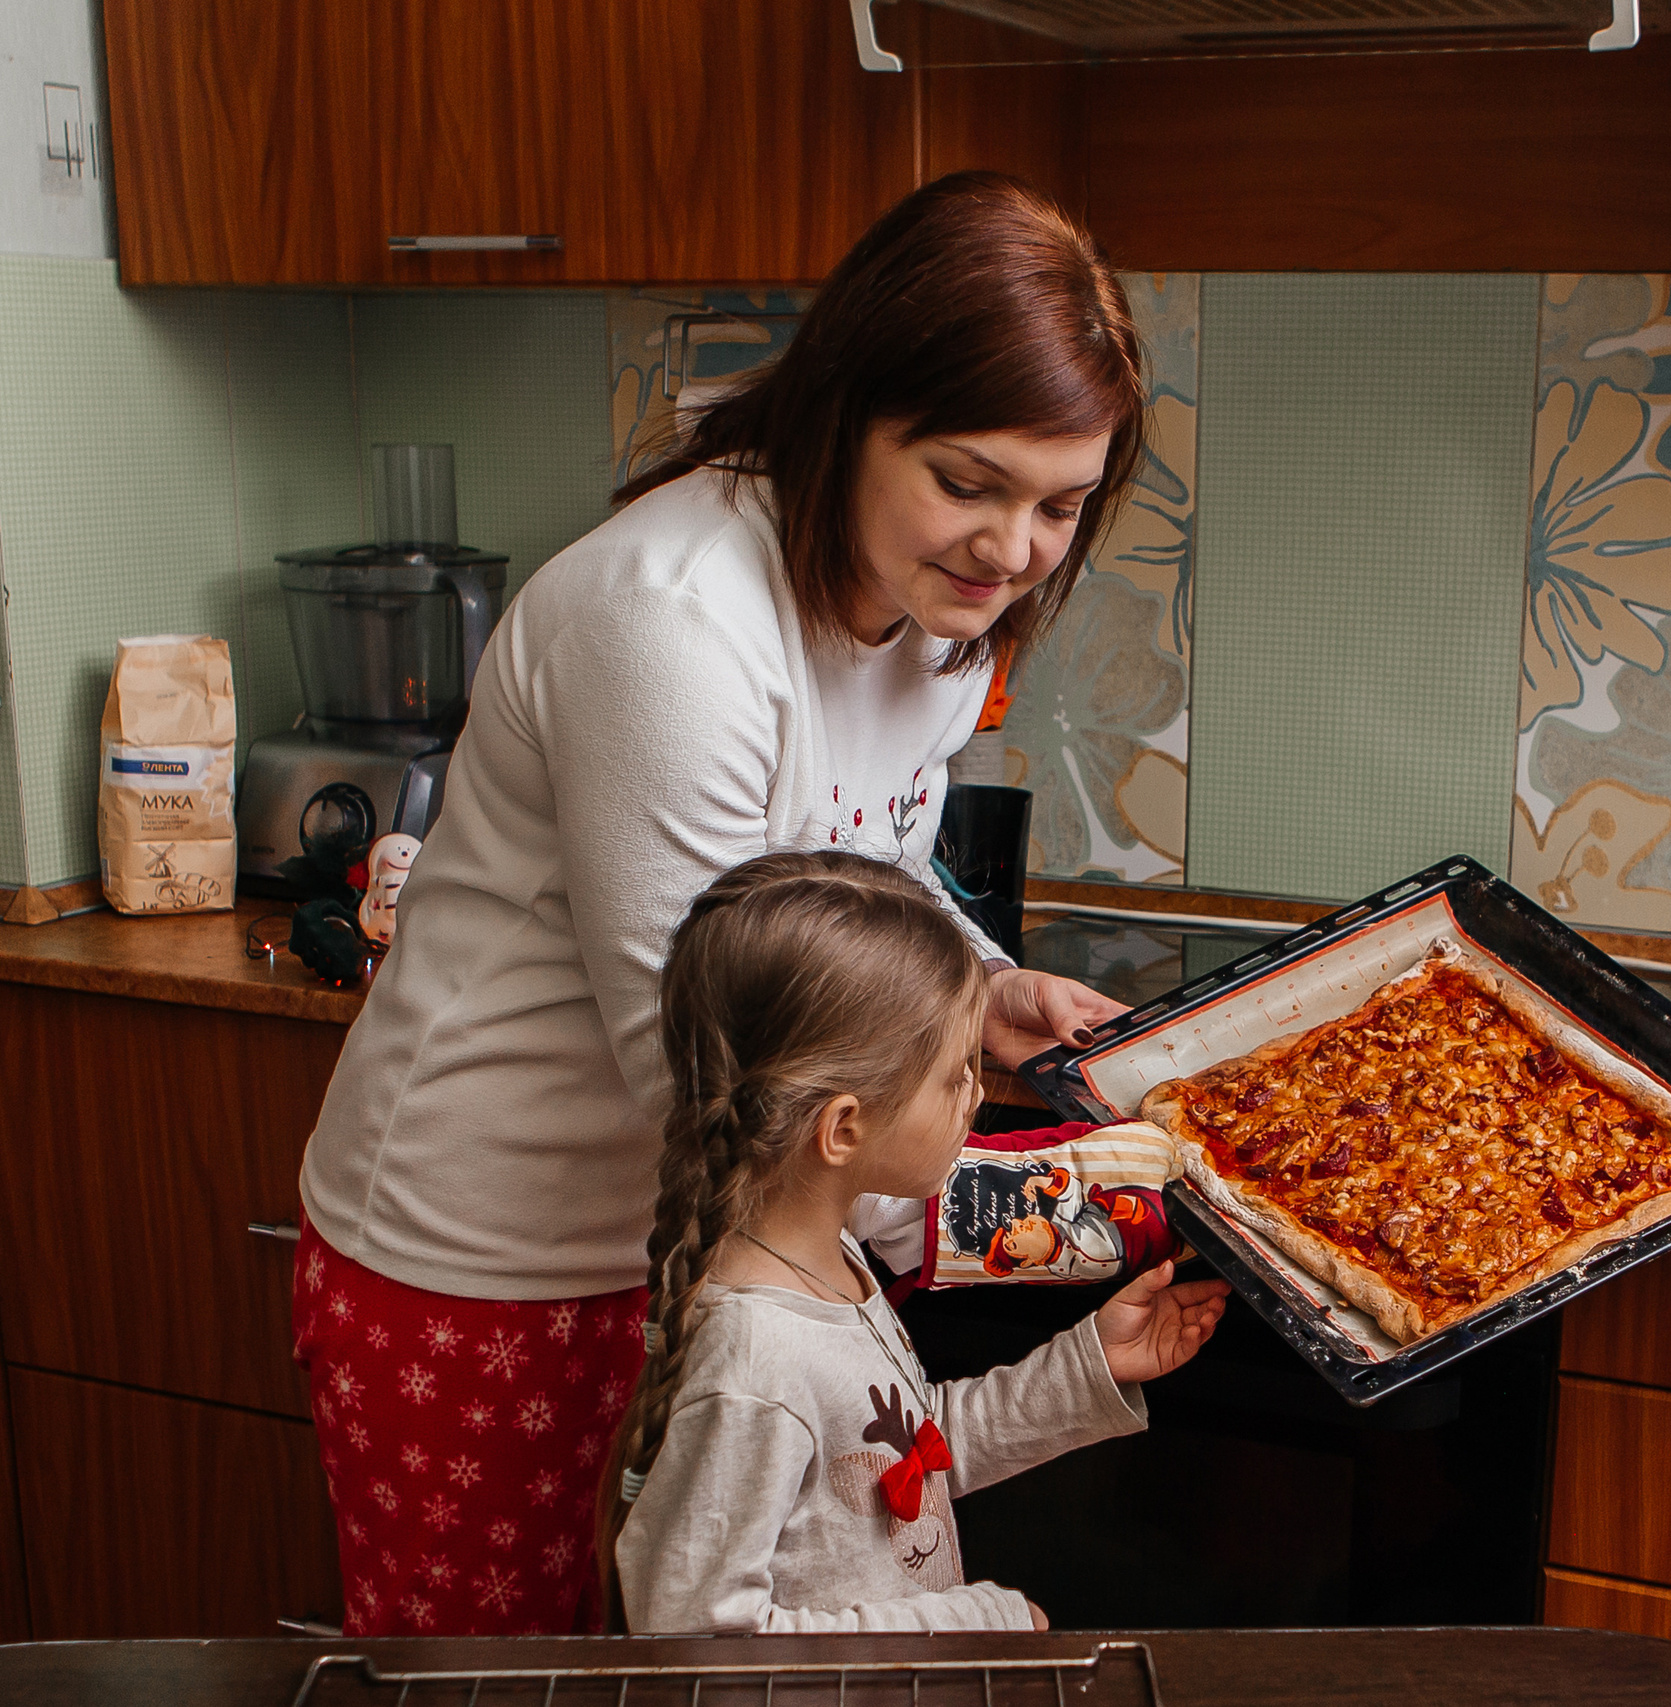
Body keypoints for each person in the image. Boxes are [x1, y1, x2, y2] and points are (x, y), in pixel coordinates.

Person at [290, 172, 1147, 1637]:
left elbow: (865, 871)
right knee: (504, 1687)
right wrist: (1041, 1209)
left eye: (1060, 504)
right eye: (969, 480)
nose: (1011, 551)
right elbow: (711, 1073)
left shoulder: (929, 608)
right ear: (847, 411)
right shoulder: (671, 626)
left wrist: (982, 980)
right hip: (495, 1266)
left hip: (710, 1255)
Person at [602, 851, 1227, 1632]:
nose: (976, 1092)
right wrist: (971, 1625)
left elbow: (898, 1455)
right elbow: (693, 1636)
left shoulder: (830, 1260)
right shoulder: (753, 1365)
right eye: (954, 1073)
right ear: (843, 1127)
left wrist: (1089, 1364)